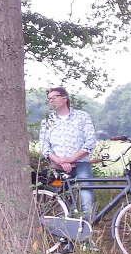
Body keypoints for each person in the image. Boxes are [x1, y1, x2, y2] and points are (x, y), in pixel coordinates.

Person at [41, 86, 97, 217]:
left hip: (81, 166)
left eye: (54, 98)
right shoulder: (48, 121)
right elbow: (45, 147)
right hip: (57, 168)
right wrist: (61, 161)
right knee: (62, 200)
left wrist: (70, 159)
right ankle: (66, 234)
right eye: (49, 99)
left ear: (65, 99)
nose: (51, 101)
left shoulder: (82, 117)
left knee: (86, 199)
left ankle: (87, 233)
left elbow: (90, 142)